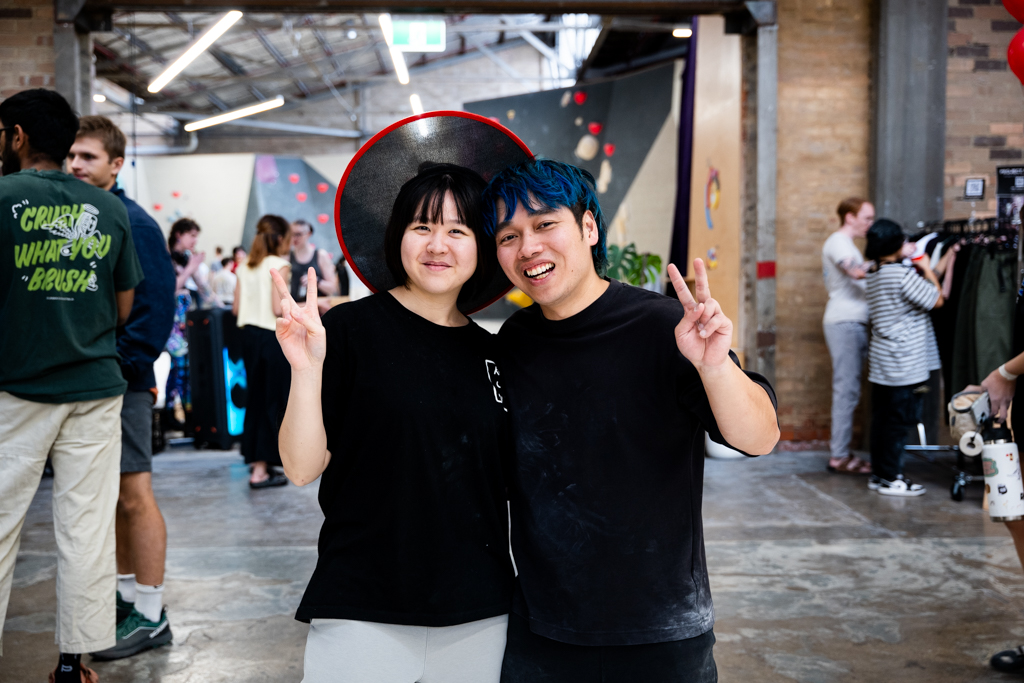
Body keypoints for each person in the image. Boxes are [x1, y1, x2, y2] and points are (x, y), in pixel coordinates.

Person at [480, 159, 779, 682]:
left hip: (660, 628)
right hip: (543, 628)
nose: (528, 248)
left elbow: (760, 438)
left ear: (588, 228)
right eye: (509, 236)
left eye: (545, 224)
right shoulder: (514, 342)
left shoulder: (663, 326)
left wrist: (714, 367)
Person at [276, 163, 513, 682]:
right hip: (362, 605)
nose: (437, 245)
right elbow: (300, 467)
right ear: (398, 236)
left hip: (478, 611)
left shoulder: (495, 354)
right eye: (421, 226)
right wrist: (306, 370)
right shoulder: (348, 330)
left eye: (458, 230)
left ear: (482, 245)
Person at [0, 89, 143, 683]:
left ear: (16, 136)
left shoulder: (2, 197)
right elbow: (123, 306)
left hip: (17, 389)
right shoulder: (109, 208)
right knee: (86, 529)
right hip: (95, 389)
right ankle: (71, 664)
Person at [66, 115, 177, 660]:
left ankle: (152, 614)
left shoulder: (134, 222)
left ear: (115, 164)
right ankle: (128, 597)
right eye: (71, 155)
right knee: (112, 494)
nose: (75, 165)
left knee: (135, 495)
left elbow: (155, 311)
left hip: (124, 382)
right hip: (92, 380)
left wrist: (121, 366)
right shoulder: (78, 218)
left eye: (87, 156)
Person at [863, 218, 943, 497]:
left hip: (883, 360)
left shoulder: (873, 272)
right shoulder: (901, 274)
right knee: (898, 423)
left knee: (882, 421)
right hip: (905, 361)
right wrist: (926, 268)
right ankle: (892, 477)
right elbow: (937, 299)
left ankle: (880, 475)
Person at [234, 215, 292, 488]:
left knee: (256, 398)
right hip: (271, 337)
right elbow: (278, 308)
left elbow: (236, 308)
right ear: (279, 238)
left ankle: (258, 462)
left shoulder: (245, 266)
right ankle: (260, 470)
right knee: (272, 401)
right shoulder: (279, 265)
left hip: (248, 337)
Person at [821, 197, 875, 475]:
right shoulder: (838, 242)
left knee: (850, 390)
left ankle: (841, 453)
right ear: (850, 217)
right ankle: (839, 456)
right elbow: (855, 271)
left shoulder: (847, 244)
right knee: (846, 390)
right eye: (867, 218)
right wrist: (893, 257)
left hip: (851, 322)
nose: (870, 224)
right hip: (845, 322)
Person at [289, 218, 337, 315]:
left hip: (318, 312)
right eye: (292, 234)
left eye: (298, 234)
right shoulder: (287, 257)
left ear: (308, 233)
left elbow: (332, 288)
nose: (295, 238)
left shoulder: (320, 255)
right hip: (296, 311)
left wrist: (316, 281)